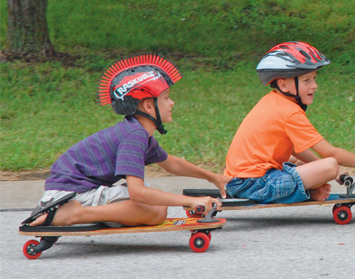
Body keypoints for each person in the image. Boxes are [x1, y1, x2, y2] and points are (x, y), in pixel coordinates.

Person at [23, 54, 230, 227]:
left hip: (72, 190)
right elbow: (137, 192)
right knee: (155, 210)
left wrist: (213, 177)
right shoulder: (134, 136)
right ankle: (75, 214)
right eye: (166, 97)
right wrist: (191, 201)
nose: (172, 102)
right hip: (68, 195)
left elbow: (171, 163)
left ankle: (86, 212)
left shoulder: (136, 132)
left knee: (156, 207)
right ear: (149, 106)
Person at [224, 41, 355, 203]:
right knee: (330, 165)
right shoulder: (289, 112)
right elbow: (331, 153)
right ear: (284, 85)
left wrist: (321, 169)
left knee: (303, 161)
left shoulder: (274, 101)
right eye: (307, 80)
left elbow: (291, 148)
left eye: (314, 78)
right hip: (254, 185)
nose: (315, 86)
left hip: (241, 181)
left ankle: (309, 190)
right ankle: (307, 193)